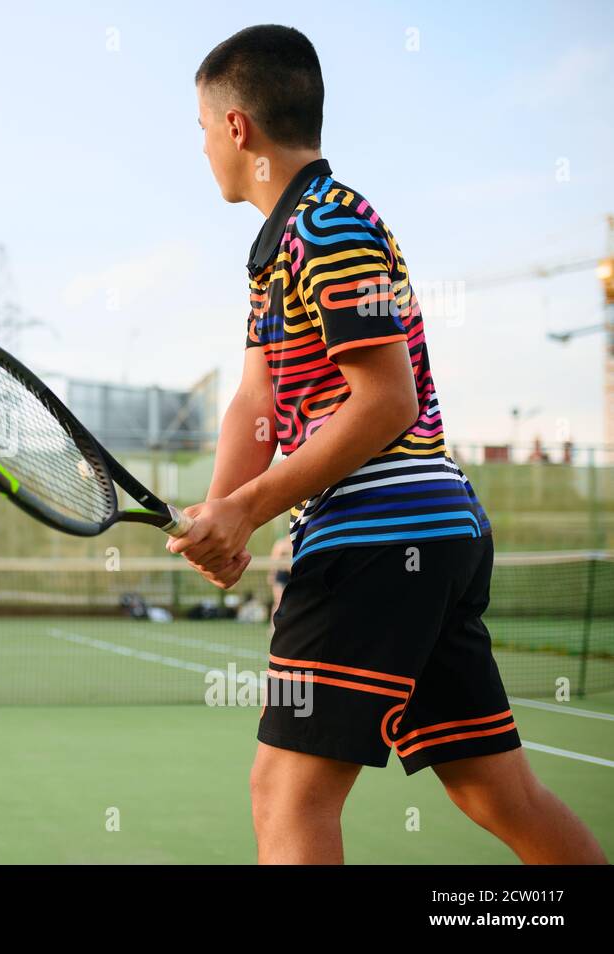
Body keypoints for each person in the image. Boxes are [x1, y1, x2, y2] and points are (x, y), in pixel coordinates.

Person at [169, 25, 605, 864]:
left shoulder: (332, 227)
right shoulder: (276, 253)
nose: (202, 148)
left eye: (200, 128)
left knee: (286, 794)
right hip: (427, 533)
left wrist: (252, 509)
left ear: (236, 129)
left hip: (377, 536)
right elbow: (257, 398)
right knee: (495, 792)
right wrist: (227, 513)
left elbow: (386, 400)